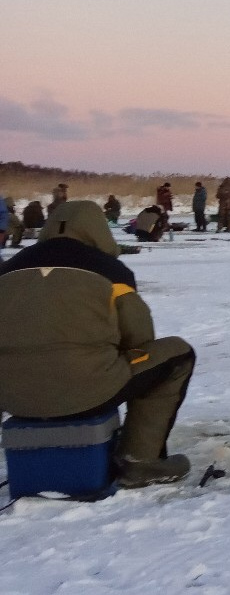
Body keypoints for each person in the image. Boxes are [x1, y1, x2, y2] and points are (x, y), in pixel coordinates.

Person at [0, 200, 197, 487]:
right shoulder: (110, 271)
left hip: (11, 396)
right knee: (178, 354)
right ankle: (140, 462)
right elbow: (140, 340)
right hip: (88, 391)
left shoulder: (8, 269)